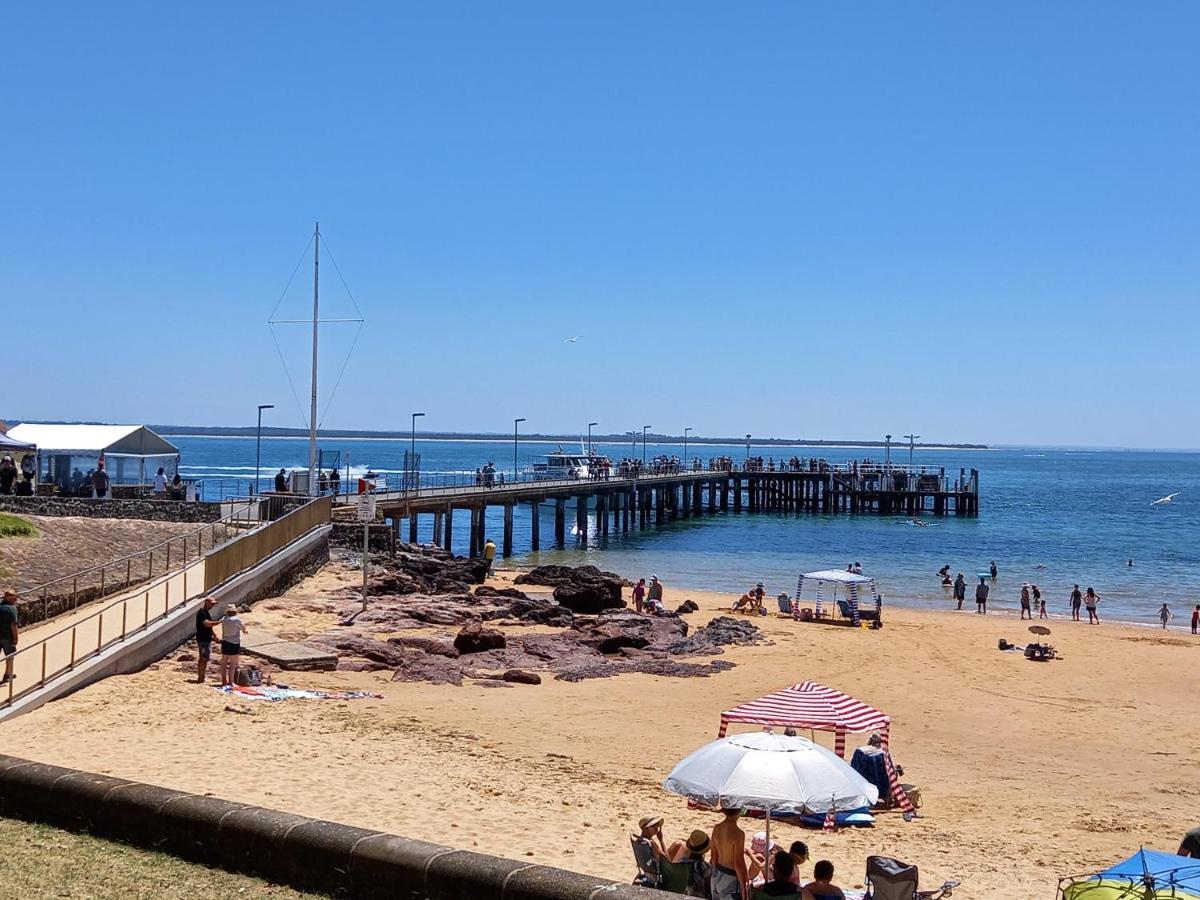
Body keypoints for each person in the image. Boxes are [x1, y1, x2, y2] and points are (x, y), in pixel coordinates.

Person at [710, 808, 749, 900]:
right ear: (739, 811)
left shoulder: (717, 828)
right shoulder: (739, 834)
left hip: (717, 873)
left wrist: (714, 876)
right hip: (730, 876)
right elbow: (738, 863)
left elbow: (714, 857)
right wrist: (743, 887)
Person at [194, 597, 222, 683]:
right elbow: (207, 624)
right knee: (203, 658)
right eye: (211, 604)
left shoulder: (206, 612)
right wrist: (219, 622)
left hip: (207, 639)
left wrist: (214, 635)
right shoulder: (202, 612)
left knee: (205, 658)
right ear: (206, 603)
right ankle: (200, 677)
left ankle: (202, 677)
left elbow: (209, 627)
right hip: (203, 639)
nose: (212, 606)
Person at [219, 605, 249, 687]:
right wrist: (245, 631)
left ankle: (223, 681)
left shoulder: (224, 619)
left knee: (224, 663)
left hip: (225, 642)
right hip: (234, 643)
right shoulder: (236, 619)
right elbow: (244, 629)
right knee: (233, 664)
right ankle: (231, 682)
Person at [0, 591, 18, 684]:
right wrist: (15, 638)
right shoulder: (12, 609)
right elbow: (13, 625)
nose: (16, 600)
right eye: (14, 598)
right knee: (10, 657)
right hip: (7, 637)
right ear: (8, 598)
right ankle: (8, 675)